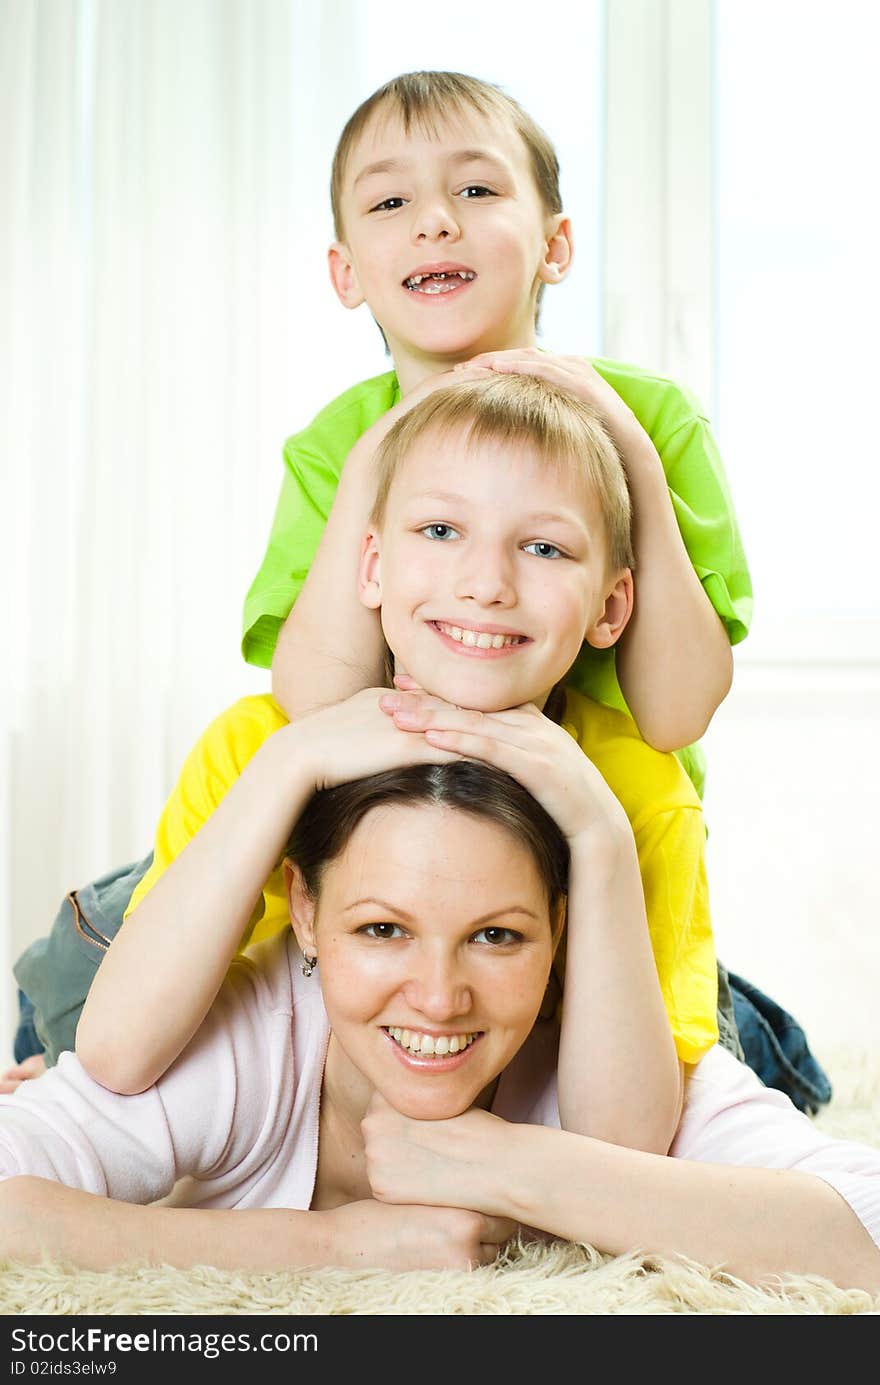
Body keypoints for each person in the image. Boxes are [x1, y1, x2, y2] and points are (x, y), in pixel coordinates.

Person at [72, 377, 699, 1156]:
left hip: (542, 1014)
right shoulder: (259, 746)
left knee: (748, 1079)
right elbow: (119, 1051)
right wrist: (295, 758)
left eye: (544, 547)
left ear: (612, 607)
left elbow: (629, 1152)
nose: (487, 584)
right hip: (131, 941)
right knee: (58, 1034)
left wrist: (598, 829)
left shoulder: (637, 792)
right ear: (370, 566)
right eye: (440, 530)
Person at [0, 747, 877, 1290]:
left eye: (496, 935)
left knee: (755, 1041)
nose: (438, 995)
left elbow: (863, 1220)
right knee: (67, 1031)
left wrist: (510, 1162)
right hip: (114, 937)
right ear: (304, 910)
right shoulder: (243, 1034)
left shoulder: (600, 1037)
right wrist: (328, 1246)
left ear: (560, 933)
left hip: (683, 986)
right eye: (384, 929)